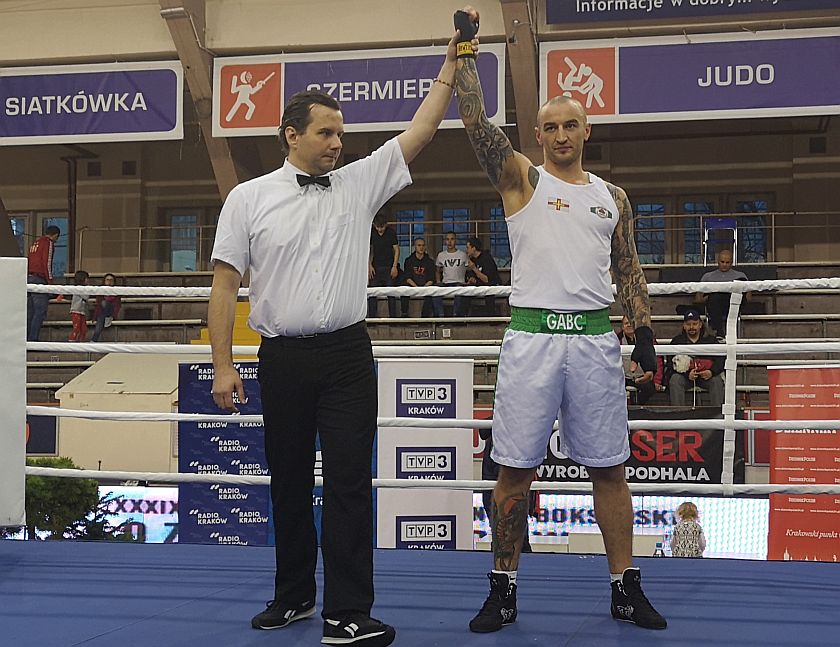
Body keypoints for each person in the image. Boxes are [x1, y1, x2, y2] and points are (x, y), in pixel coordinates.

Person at [208, 18, 474, 647]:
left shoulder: (358, 182)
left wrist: (451, 64)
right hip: (281, 356)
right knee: (289, 479)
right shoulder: (246, 198)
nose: (336, 143)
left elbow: (422, 129)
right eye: (326, 133)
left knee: (351, 483)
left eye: (341, 133)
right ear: (290, 135)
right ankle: (295, 595)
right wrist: (223, 365)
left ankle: (346, 613)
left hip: (350, 354)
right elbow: (223, 286)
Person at [453, 8, 666, 633]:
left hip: (597, 339)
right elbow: (475, 125)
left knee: (610, 469)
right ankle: (503, 586)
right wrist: (466, 54)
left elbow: (627, 266)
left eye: (571, 123)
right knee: (513, 468)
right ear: (539, 135)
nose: (562, 134)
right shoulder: (522, 180)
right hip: (533, 338)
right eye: (551, 126)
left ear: (587, 128)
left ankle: (625, 587)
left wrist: (645, 329)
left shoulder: (611, 196)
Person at [666, 309, 724, 409]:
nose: (691, 327)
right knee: (675, 380)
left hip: (706, 377)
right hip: (685, 377)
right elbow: (671, 363)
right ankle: (678, 415)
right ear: (684, 326)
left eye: (694, 324)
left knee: (717, 381)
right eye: (688, 324)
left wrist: (711, 372)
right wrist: (686, 373)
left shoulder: (711, 340)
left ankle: (718, 415)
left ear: (700, 325)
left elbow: (721, 359)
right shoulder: (677, 341)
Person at [694, 248, 749, 338]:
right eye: (722, 262)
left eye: (727, 262)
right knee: (715, 297)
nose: (724, 265)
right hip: (714, 305)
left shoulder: (741, 276)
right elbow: (698, 299)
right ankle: (720, 331)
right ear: (718, 261)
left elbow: (748, 297)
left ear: (731, 263)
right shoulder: (708, 277)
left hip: (733, 304)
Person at [617, 316, 664, 405]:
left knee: (649, 388)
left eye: (631, 323)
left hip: (643, 376)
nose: (629, 325)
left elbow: (657, 361)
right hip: (623, 377)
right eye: (626, 323)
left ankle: (638, 405)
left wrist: (657, 380)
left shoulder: (649, 341)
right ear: (622, 327)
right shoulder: (616, 340)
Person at [26, 225, 60, 342]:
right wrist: (50, 283)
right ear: (55, 235)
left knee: (30, 311)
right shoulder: (48, 243)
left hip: (29, 278)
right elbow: (47, 262)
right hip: (40, 279)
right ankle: (33, 339)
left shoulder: (35, 243)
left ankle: (26, 339)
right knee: (40, 311)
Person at [368, 212, 400, 318]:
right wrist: (369, 265)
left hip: (389, 266)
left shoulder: (391, 232)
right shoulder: (372, 233)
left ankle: (393, 318)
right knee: (372, 292)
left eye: (382, 227)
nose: (380, 230)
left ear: (386, 224)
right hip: (376, 266)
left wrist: (394, 266)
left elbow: (396, 249)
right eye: (377, 227)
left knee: (391, 292)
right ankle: (372, 317)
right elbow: (370, 250)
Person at [433, 231, 469, 316]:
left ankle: (456, 316)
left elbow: (469, 268)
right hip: (445, 283)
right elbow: (437, 270)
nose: (449, 242)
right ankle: (440, 315)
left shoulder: (462, 254)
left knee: (459, 292)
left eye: (452, 239)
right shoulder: (441, 255)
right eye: (447, 239)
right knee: (434, 291)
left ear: (455, 241)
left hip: (459, 283)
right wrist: (438, 281)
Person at [401, 237, 436, 317]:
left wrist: (423, 288)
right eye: (419, 245)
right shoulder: (409, 260)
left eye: (423, 245)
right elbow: (407, 277)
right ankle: (404, 314)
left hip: (425, 286)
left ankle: (425, 316)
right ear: (415, 247)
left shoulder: (430, 261)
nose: (421, 247)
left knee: (432, 291)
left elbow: (431, 279)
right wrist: (416, 287)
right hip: (412, 285)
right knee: (403, 289)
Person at [465, 237, 500, 316]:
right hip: (478, 286)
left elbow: (487, 279)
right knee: (464, 292)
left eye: (468, 248)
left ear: (474, 248)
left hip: (491, 285)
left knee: (489, 295)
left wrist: (474, 268)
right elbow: (470, 276)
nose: (466, 250)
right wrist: (471, 279)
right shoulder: (472, 260)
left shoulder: (486, 258)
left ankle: (492, 320)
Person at [91, 273, 122, 342]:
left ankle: (108, 317)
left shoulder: (117, 291)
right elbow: (98, 304)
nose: (109, 281)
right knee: (100, 320)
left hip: (112, 311)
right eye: (107, 280)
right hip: (102, 312)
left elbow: (117, 305)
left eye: (111, 280)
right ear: (104, 281)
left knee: (104, 303)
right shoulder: (100, 291)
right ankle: (93, 340)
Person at [68, 270, 90, 342]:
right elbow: (85, 297)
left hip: (81, 312)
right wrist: (89, 289)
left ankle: (81, 342)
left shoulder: (83, 289)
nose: (88, 280)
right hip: (76, 311)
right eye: (86, 278)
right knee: (76, 328)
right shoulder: (78, 288)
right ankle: (72, 341)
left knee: (84, 329)